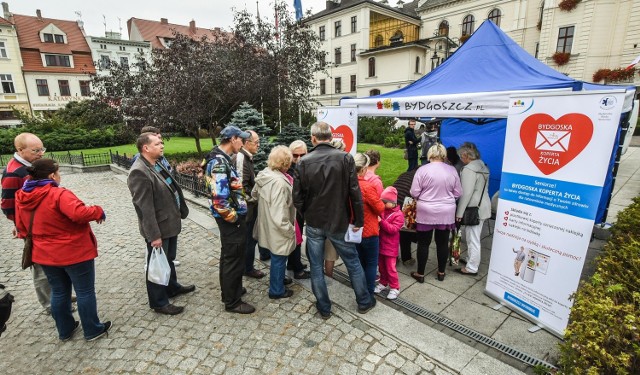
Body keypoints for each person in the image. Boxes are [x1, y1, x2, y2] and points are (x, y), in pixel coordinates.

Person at [15, 159, 111, 341]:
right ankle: (92, 329)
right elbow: (79, 213)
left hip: (44, 255)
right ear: (52, 175)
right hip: (74, 252)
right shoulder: (57, 194)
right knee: (84, 292)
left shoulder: (22, 196)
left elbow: (21, 228)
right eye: (58, 173)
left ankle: (65, 330)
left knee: (59, 292)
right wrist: (98, 211)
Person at [293, 122, 375, 319]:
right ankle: (363, 301)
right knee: (352, 261)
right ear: (330, 137)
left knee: (315, 265)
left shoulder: (304, 162)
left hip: (316, 221)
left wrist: (307, 213)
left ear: (313, 138)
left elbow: (297, 198)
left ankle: (324, 306)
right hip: (338, 220)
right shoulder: (345, 158)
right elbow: (355, 193)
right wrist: (359, 219)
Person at [127, 133, 194, 316]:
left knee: (169, 259)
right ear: (146, 148)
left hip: (169, 223)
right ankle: (159, 302)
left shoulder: (155, 163)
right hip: (159, 228)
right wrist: (154, 235)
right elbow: (144, 208)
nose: (162, 146)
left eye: (161, 143)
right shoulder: (139, 171)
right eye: (157, 144)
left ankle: (172, 287)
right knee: (157, 263)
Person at [204, 126, 255, 314]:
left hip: (231, 219)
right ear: (232, 139)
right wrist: (235, 219)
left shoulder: (221, 158)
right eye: (241, 139)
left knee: (230, 256)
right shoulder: (219, 162)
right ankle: (232, 302)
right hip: (230, 221)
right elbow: (219, 200)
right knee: (232, 258)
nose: (242, 143)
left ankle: (230, 290)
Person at [1, 132, 51, 313]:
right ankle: (49, 303)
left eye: (42, 149)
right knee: (40, 267)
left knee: (51, 263)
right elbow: (7, 205)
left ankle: (59, 294)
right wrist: (20, 225)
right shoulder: (14, 172)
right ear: (20, 150)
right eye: (36, 150)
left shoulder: (30, 166)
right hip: (32, 228)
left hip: (42, 224)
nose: (41, 153)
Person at [410, 144, 462, 282]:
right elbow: (458, 192)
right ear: (444, 155)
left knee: (423, 243)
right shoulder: (452, 170)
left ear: (429, 154)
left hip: (426, 210)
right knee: (442, 243)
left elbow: (414, 192)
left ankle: (420, 273)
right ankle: (441, 272)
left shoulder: (422, 170)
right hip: (446, 211)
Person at [252, 146, 297, 299]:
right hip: (277, 226)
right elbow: (280, 214)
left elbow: (254, 195)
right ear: (285, 163)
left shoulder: (264, 174)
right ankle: (276, 290)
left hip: (266, 223)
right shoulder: (279, 183)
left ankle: (279, 279)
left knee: (276, 256)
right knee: (279, 257)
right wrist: (290, 230)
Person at [231, 130, 266, 279]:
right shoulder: (241, 158)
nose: (258, 145)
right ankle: (248, 268)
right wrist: (255, 197)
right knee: (249, 239)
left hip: (247, 208)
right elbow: (241, 187)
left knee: (249, 239)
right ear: (247, 143)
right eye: (256, 142)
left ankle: (247, 266)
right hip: (247, 210)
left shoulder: (245, 157)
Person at [455, 142, 491, 276]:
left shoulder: (469, 169)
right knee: (473, 237)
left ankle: (471, 267)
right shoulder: (484, 166)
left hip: (474, 208)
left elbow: (466, 193)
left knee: (473, 239)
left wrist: (459, 212)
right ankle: (471, 260)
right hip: (483, 206)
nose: (460, 159)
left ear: (465, 155)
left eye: (461, 156)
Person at [354, 153, 385, 296]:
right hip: (369, 230)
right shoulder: (367, 186)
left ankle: (359, 289)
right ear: (364, 169)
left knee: (359, 262)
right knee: (371, 263)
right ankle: (368, 293)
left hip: (353, 230)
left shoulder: (346, 184)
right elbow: (380, 207)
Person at [286, 140, 310, 280]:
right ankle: (298, 270)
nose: (299, 158)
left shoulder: (305, 165)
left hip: (299, 209)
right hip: (293, 210)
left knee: (297, 237)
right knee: (296, 238)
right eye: (295, 155)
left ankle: (293, 263)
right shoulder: (289, 168)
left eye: (302, 154)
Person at [375, 187, 404, 300]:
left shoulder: (398, 215)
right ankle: (383, 282)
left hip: (390, 247)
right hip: (381, 245)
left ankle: (395, 287)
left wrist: (381, 222)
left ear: (392, 203)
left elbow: (393, 229)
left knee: (391, 268)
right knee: (381, 266)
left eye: (384, 202)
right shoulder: (383, 211)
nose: (382, 203)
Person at [323, 139, 347, 277]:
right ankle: (329, 276)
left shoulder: (321, 163)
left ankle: (325, 274)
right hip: (335, 213)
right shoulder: (342, 167)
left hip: (321, 211)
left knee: (324, 247)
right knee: (331, 249)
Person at [392, 169, 418, 266]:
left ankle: (393, 258)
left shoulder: (404, 173)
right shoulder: (419, 178)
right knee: (405, 232)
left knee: (393, 233)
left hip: (392, 203)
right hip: (405, 204)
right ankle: (406, 259)